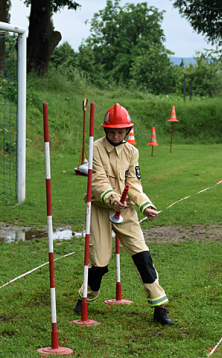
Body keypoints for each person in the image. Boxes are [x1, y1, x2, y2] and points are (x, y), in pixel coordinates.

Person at [74, 103, 173, 325]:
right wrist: (112, 199)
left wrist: (144, 206)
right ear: (105, 130)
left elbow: (134, 183)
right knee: (99, 263)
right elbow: (97, 181)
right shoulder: (96, 148)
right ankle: (85, 297)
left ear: (128, 131)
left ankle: (159, 307)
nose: (116, 135)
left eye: (121, 131)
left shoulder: (132, 152)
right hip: (101, 208)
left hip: (126, 211)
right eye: (112, 131)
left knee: (143, 257)